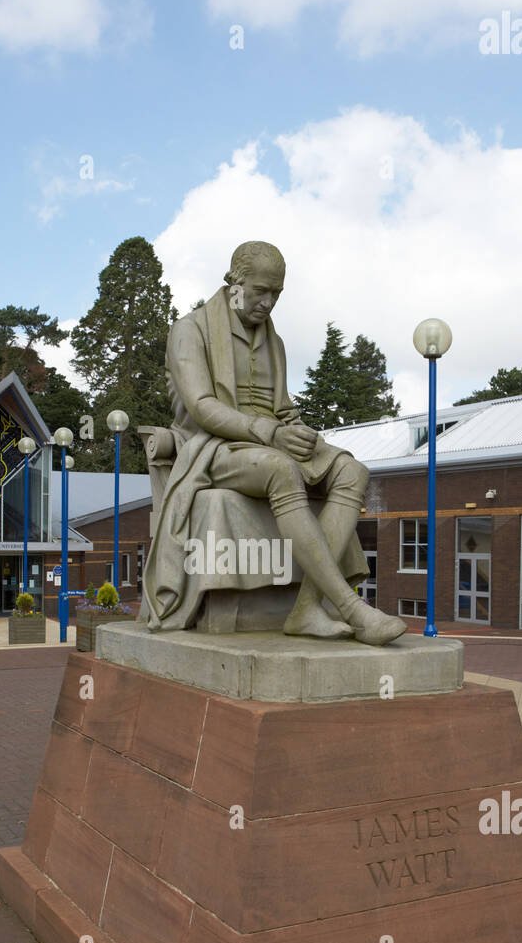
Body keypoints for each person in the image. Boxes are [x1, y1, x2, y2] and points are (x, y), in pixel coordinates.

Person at [143, 240, 407, 646]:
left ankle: (306, 609)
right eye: (260, 291)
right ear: (235, 282)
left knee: (353, 471)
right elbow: (201, 407)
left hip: (272, 440)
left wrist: (296, 430)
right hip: (214, 448)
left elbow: (281, 407)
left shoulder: (275, 341)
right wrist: (270, 433)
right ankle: (352, 608)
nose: (268, 302)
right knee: (281, 469)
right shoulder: (190, 330)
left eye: (276, 294)